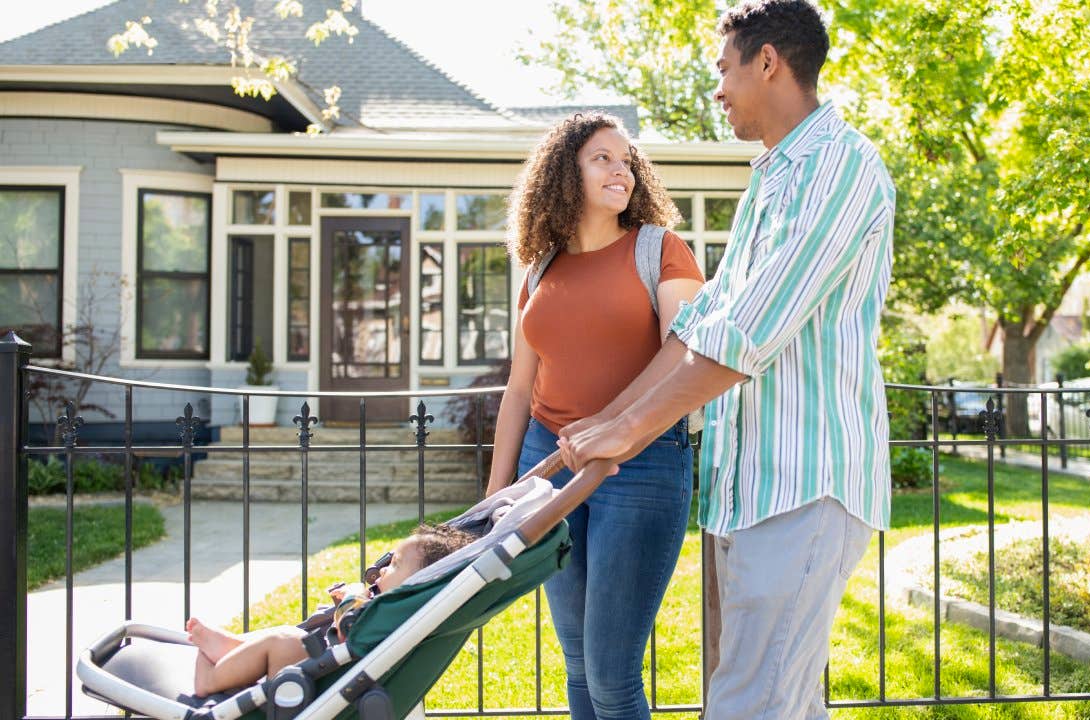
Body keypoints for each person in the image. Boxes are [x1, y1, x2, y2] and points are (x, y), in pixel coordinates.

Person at [557, 1, 896, 717]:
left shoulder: (840, 167)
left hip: (806, 484)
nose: (718, 89)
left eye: (723, 69)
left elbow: (748, 333)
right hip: (747, 493)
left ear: (767, 61)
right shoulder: (771, 181)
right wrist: (608, 421)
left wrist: (632, 430)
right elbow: (702, 326)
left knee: (750, 705)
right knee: (775, 702)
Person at [485, 112, 704, 720]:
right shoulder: (539, 269)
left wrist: (611, 426)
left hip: (640, 464)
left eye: (627, 159)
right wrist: (498, 492)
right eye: (602, 158)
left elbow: (684, 351)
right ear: (564, 174)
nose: (621, 169)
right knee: (577, 662)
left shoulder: (661, 249)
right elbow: (518, 387)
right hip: (547, 461)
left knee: (611, 673)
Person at [184, 524, 475, 697]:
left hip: (324, 682)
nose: (382, 570)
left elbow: (351, 624)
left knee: (283, 641)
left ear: (416, 583)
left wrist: (350, 598)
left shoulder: (398, 609)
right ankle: (230, 648)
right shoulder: (395, 608)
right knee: (286, 637)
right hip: (326, 665)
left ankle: (210, 681)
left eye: (395, 566)